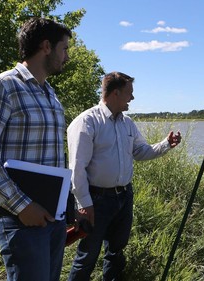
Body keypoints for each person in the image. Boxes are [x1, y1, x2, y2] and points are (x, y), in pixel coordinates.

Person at [0, 17, 72, 281]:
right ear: (46, 46)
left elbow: (56, 156)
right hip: (19, 219)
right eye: (64, 49)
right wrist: (23, 206)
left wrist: (66, 203)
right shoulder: (2, 86)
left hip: (52, 218)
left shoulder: (50, 93)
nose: (67, 57)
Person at [67, 71, 182, 280]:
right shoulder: (86, 122)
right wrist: (84, 204)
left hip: (124, 197)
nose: (133, 98)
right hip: (96, 200)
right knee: (87, 258)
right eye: (130, 93)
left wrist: (166, 144)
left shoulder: (127, 123)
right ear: (116, 93)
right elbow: (76, 168)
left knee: (116, 252)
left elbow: (140, 152)